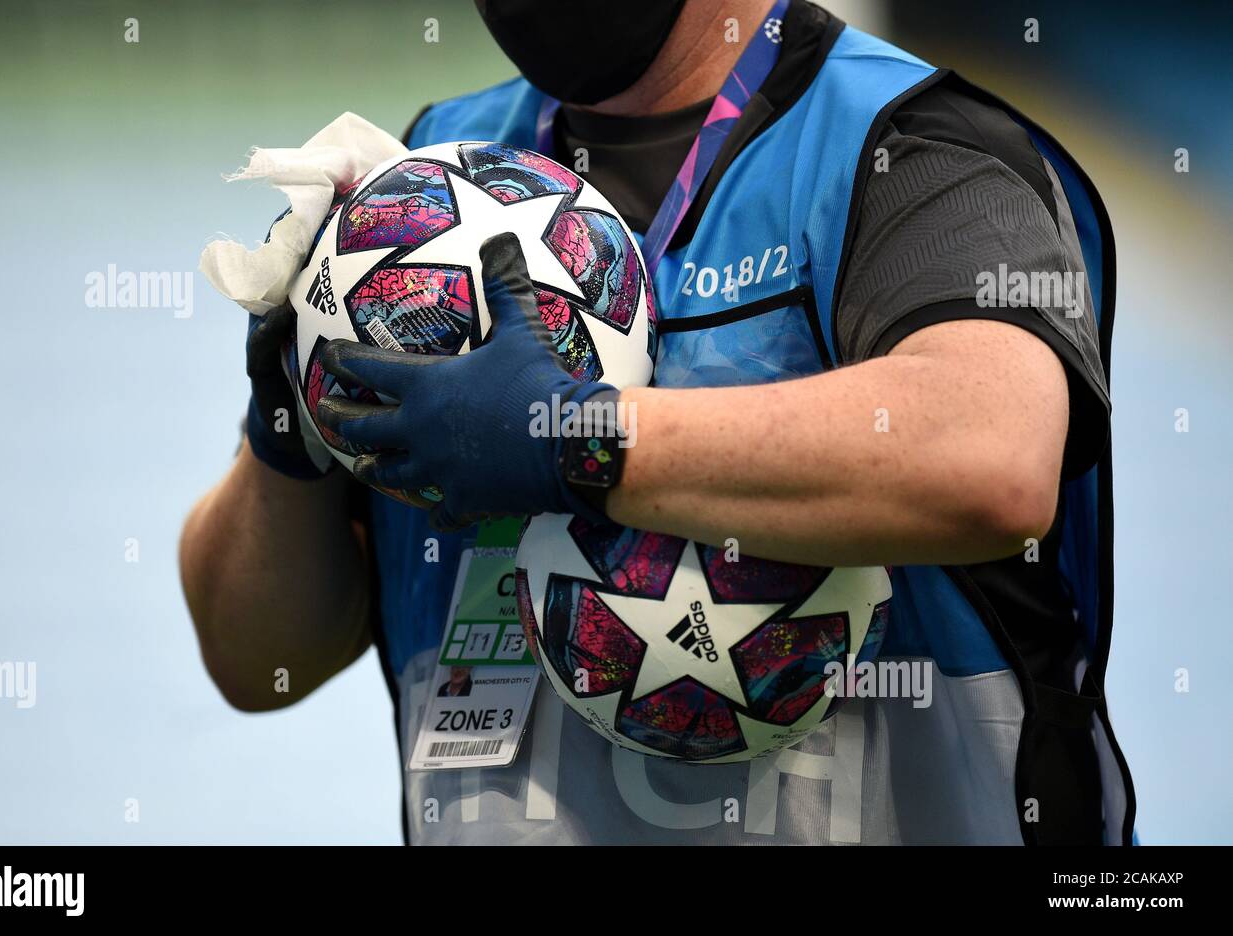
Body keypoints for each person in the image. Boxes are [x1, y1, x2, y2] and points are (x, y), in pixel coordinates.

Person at [180, 0, 1134, 844]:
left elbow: (989, 457)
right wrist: (286, 433)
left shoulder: (905, 146)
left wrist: (576, 440)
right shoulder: (427, 197)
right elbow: (257, 655)